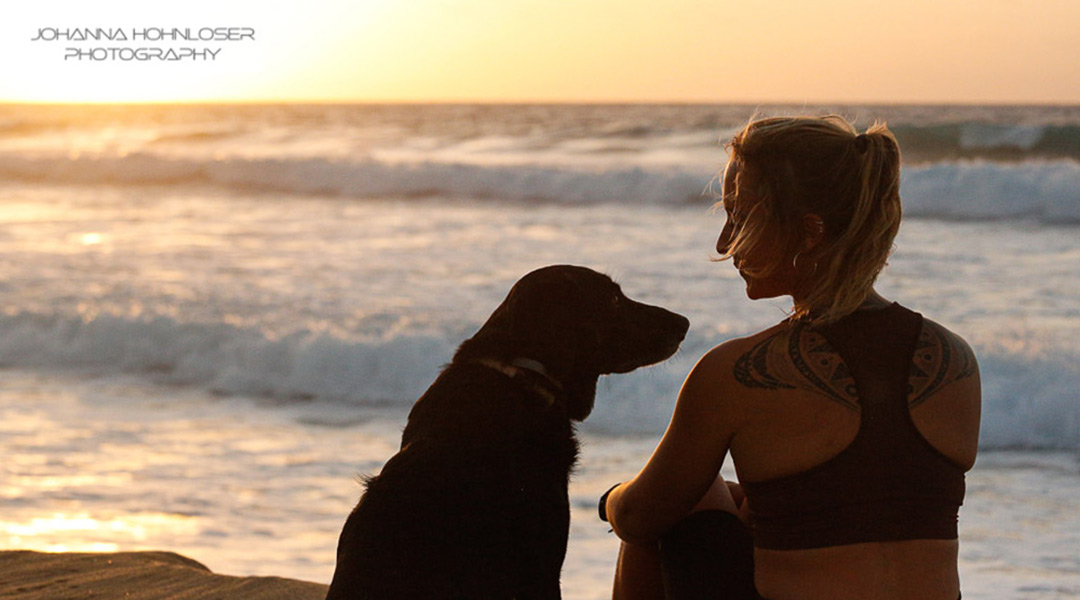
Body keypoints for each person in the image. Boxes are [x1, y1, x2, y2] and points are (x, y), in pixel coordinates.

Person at [600, 115, 981, 600]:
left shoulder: (736, 374)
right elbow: (864, 500)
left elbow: (637, 517)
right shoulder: (955, 359)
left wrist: (610, 499)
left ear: (810, 232)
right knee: (724, 492)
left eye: (740, 216)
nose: (724, 241)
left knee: (681, 496)